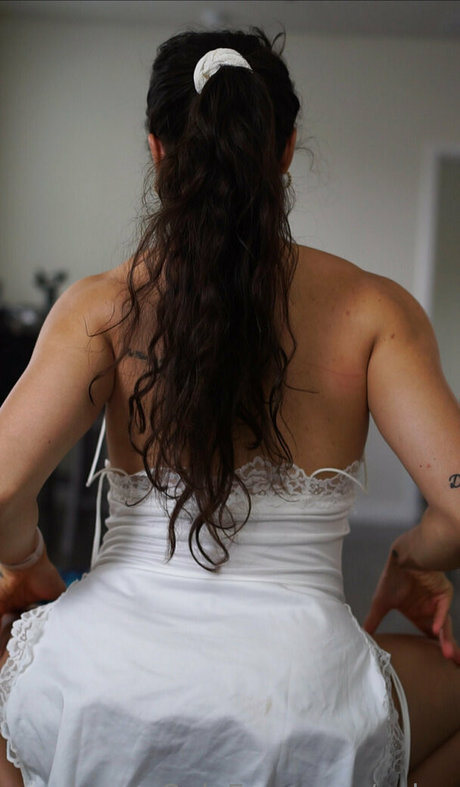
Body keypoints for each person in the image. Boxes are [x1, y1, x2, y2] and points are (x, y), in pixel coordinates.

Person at [0, 28, 459, 787]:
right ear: (285, 151)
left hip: (102, 680)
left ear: (157, 151)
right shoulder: (375, 310)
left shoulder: (100, 307)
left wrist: (25, 565)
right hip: (303, 696)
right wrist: (415, 558)